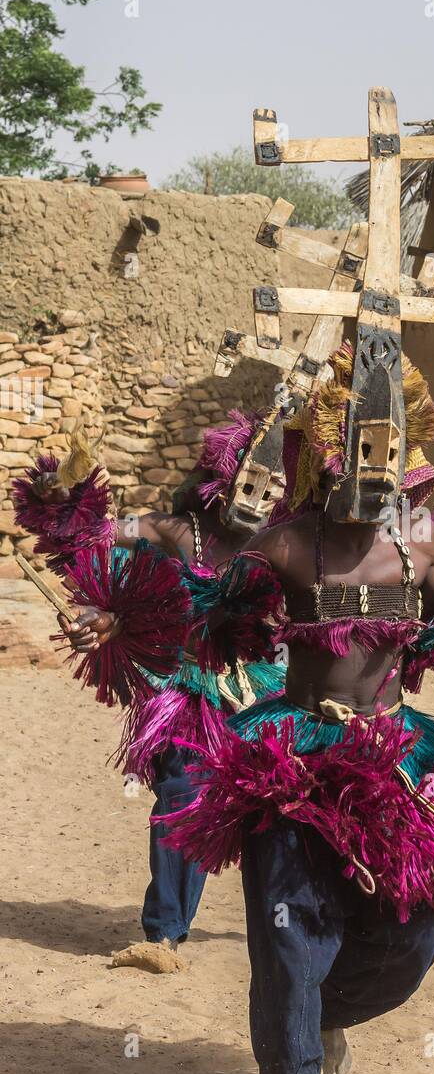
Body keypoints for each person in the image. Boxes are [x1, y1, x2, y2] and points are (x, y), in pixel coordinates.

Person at [67, 342, 434, 1074]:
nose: (375, 471)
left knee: (411, 936)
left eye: (389, 455)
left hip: (390, 760)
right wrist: (120, 618)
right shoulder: (285, 543)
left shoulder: (421, 552)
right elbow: (207, 612)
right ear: (329, 454)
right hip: (290, 758)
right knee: (289, 926)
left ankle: (325, 1018)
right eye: (360, 450)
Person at [12, 410, 287, 957]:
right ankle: (162, 932)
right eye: (251, 479)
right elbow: (100, 536)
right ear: (225, 475)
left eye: (275, 485)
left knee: (252, 812)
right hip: (184, 690)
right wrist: (62, 497)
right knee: (181, 793)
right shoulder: (175, 531)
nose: (259, 494)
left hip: (261, 697)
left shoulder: (285, 544)